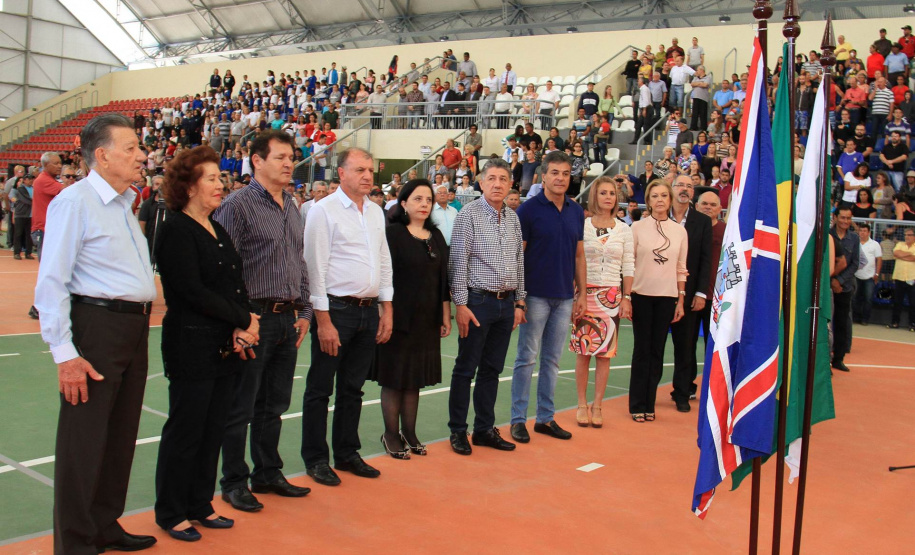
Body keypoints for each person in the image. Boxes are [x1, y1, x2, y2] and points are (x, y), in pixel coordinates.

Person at [34, 114, 158, 554]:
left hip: (132, 327)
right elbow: (51, 282)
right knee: (84, 441)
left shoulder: (125, 204)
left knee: (120, 435)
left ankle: (105, 523)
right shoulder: (76, 202)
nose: (142, 155)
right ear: (102, 156)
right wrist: (65, 355)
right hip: (97, 328)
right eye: (131, 148)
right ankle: (76, 541)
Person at [153, 146, 261, 541]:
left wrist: (244, 321)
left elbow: (235, 284)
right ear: (189, 185)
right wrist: (243, 318)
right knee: (186, 430)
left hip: (224, 344)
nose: (221, 184)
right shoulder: (176, 229)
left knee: (213, 428)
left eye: (221, 178)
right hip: (190, 344)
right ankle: (171, 511)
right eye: (212, 178)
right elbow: (191, 292)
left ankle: (200, 504)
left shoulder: (218, 228)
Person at [214, 130, 313, 512]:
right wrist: (241, 320)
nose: (289, 163)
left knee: (273, 405)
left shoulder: (293, 205)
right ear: (257, 160)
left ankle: (268, 472)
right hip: (254, 318)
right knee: (241, 407)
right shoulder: (237, 206)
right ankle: (234, 481)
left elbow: (299, 263)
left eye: (292, 157)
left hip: (287, 320)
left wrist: (303, 312)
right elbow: (225, 269)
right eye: (281, 157)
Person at [302, 147, 393, 485]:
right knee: (320, 388)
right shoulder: (322, 212)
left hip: (368, 311)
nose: (367, 176)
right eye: (359, 170)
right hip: (335, 311)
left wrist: (387, 309)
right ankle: (315, 459)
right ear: (340, 173)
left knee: (353, 388)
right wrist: (322, 321)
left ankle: (346, 453)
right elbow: (315, 269)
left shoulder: (375, 213)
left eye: (370, 170)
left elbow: (384, 262)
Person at [448, 158, 526, 455]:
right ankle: (458, 430)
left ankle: (483, 429)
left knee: (492, 370)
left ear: (509, 184)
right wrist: (461, 304)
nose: (497, 184)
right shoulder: (468, 215)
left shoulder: (513, 218)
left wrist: (520, 300)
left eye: (502, 179)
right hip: (477, 302)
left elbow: (519, 261)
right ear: (481, 182)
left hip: (506, 304)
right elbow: (458, 262)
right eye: (491, 178)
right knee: (465, 369)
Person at [371, 180, 451, 459]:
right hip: (398, 317)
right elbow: (383, 276)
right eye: (417, 199)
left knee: (414, 377)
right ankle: (391, 434)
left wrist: (444, 314)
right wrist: (384, 312)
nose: (424, 204)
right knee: (395, 378)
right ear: (403, 203)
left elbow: (444, 280)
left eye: (428, 200)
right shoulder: (392, 234)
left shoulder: (436, 236)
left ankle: (410, 431)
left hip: (426, 320)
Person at [509, 152, 585, 443]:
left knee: (552, 361)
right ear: (543, 176)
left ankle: (545, 418)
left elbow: (579, 255)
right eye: (555, 172)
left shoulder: (576, 211)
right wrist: (520, 297)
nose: (560, 178)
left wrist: (581, 293)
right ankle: (518, 420)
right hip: (535, 296)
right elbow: (518, 256)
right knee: (526, 359)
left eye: (565, 174)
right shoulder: (528, 211)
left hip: (565, 297)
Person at [570, 177, 634, 427]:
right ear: (594, 196)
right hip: (585, 295)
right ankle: (581, 404)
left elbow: (628, 264)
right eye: (603, 192)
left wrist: (626, 297)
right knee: (583, 352)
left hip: (611, 297)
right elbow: (575, 260)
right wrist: (579, 294)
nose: (608, 197)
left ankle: (598, 405)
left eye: (612, 193)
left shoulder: (624, 229)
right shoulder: (582, 226)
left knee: (604, 354)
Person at [628, 180, 687, 422]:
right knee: (642, 350)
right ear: (648, 200)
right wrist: (626, 296)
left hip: (667, 297)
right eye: (655, 196)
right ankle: (636, 405)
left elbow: (681, 268)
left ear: (670, 200)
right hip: (641, 295)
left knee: (657, 350)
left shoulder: (680, 231)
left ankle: (649, 404)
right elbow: (628, 263)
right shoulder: (637, 228)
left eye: (664, 195)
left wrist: (681, 299)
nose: (660, 200)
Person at [668, 175, 711, 411]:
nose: (684, 189)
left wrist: (701, 293)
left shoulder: (702, 222)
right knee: (652, 345)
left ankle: (682, 393)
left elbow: (706, 260)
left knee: (686, 346)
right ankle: (646, 392)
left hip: (690, 293)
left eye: (689, 186)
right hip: (660, 292)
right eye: (680, 185)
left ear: (693, 193)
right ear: (672, 189)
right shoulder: (658, 217)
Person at [829, 207, 859, 373]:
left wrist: (839, 280)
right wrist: (832, 280)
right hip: (827, 286)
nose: (845, 221)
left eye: (848, 218)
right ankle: (825, 358)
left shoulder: (854, 238)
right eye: (842, 218)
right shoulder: (827, 235)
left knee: (842, 323)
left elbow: (855, 263)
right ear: (835, 217)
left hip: (845, 287)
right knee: (826, 324)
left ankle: (838, 358)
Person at [694, 189, 724, 350]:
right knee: (686, 344)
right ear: (697, 206)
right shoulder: (688, 230)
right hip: (692, 295)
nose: (708, 207)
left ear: (720, 209)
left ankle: (711, 375)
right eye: (704, 204)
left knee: (712, 343)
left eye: (713, 205)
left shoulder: (727, 231)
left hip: (716, 298)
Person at [30, 152, 63, 261]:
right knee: (48, 265)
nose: (59, 166)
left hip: (48, 228)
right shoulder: (43, 180)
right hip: (44, 229)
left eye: (60, 163)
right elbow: (68, 190)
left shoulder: (48, 180)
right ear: (46, 165)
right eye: (56, 163)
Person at [852, 223, 882, 326]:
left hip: (869, 276)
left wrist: (877, 273)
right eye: (861, 231)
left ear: (869, 232)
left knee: (868, 299)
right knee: (855, 298)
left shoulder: (875, 244)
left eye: (864, 231)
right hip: (856, 275)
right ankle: (856, 317)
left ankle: (865, 319)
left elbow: (879, 259)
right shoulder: (855, 242)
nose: (862, 233)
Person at [889, 228, 915, 331]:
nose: (907, 237)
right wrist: (909, 254)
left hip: (912, 278)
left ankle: (912, 324)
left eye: (909, 235)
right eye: (906, 235)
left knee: (913, 303)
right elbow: (896, 253)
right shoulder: (900, 245)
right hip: (899, 278)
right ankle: (895, 322)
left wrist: (902, 255)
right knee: (897, 302)